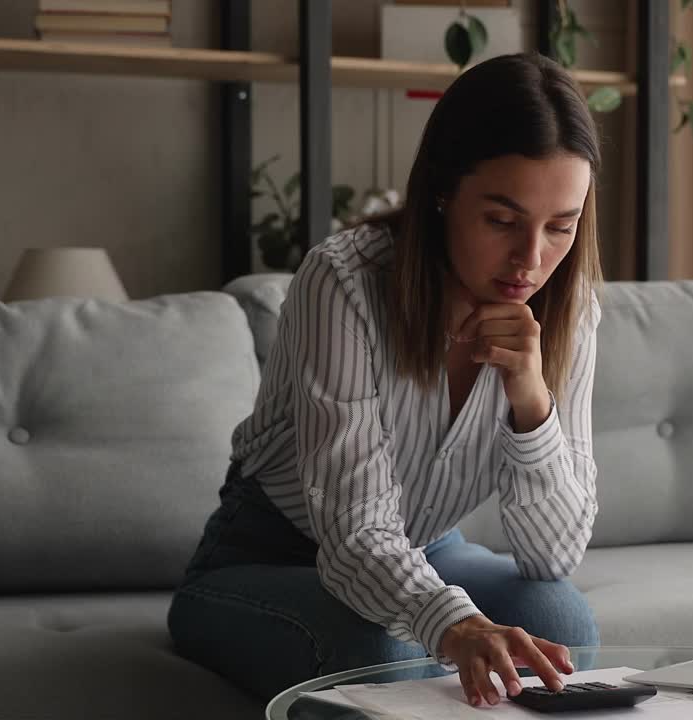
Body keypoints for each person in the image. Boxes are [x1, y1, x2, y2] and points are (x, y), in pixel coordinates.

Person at [167, 52, 604, 709]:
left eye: (560, 227)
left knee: (563, 622)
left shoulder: (571, 309)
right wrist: (454, 624)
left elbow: (553, 556)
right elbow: (355, 533)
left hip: (428, 547)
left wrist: (531, 399)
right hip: (268, 554)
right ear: (442, 191)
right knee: (378, 651)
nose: (532, 258)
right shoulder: (343, 282)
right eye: (502, 220)